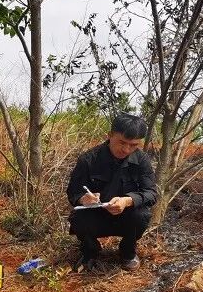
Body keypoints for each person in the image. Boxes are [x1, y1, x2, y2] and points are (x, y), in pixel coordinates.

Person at [66, 113, 158, 271]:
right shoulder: (88, 159)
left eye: (133, 145)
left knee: (142, 215)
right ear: (110, 135)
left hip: (126, 217)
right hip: (97, 216)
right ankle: (90, 251)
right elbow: (73, 191)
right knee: (78, 217)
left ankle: (127, 252)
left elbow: (151, 193)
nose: (126, 149)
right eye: (122, 142)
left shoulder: (141, 160)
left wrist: (127, 201)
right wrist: (84, 199)